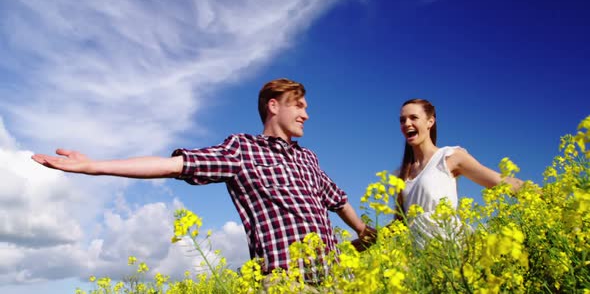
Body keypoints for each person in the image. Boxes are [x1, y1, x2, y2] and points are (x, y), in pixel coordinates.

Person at [32, 78, 376, 278]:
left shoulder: (308, 158)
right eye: (298, 105)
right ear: (274, 106)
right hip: (287, 282)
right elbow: (174, 165)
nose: (307, 113)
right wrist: (96, 166)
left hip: (337, 278)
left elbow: (338, 199)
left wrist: (362, 231)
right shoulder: (243, 150)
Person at [394, 98, 525, 246]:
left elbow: (499, 181)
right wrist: (365, 237)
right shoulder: (400, 175)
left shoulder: (449, 157)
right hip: (421, 262)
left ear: (430, 122)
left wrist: (548, 195)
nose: (407, 124)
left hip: (451, 251)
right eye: (402, 120)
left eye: (413, 118)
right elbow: (399, 225)